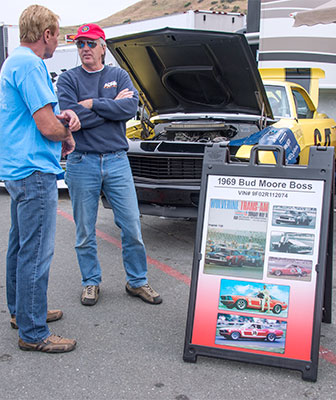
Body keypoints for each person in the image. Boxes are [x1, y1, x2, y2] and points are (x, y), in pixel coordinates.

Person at [56, 23, 162, 306]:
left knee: (131, 226)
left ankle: (137, 281)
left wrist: (89, 104)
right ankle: (90, 282)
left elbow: (128, 109)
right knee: (84, 230)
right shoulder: (67, 80)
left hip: (116, 161)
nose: (85, 49)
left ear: (103, 46)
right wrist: (106, 106)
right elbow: (70, 120)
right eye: (80, 44)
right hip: (81, 162)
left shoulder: (119, 75)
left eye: (90, 43)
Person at [0, 5, 81, 353]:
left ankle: (23, 311)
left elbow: (37, 115)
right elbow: (47, 126)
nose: (57, 42)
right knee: (35, 251)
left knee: (20, 246)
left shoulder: (13, 61)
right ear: (46, 34)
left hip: (18, 168)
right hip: (34, 171)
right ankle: (33, 332)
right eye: (56, 35)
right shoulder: (32, 64)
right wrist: (68, 128)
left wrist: (57, 122)